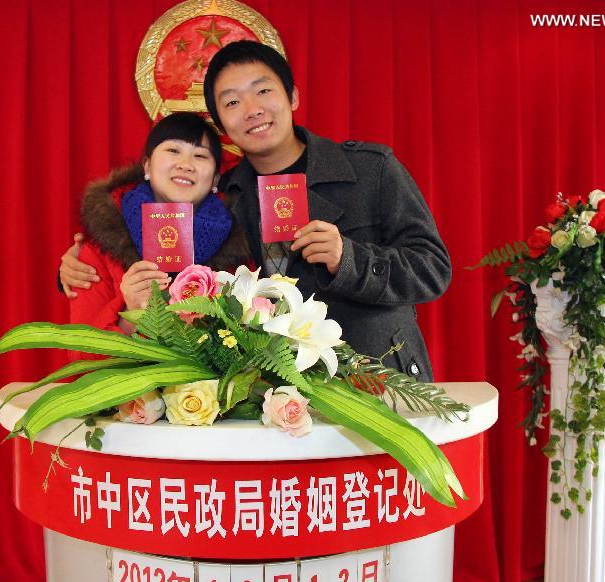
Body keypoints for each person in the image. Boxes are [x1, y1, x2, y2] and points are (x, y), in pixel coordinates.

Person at [63, 41, 451, 380]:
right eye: (232, 102)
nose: (251, 109)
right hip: (276, 396)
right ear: (222, 124)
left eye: (262, 91)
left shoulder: (370, 170)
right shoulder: (226, 200)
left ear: (292, 96)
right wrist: (74, 263)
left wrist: (349, 258)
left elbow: (433, 269)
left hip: (381, 378)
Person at [67, 111, 250, 336]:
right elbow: (81, 355)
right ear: (147, 165)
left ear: (214, 179)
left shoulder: (240, 241)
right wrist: (131, 315)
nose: (185, 164)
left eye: (200, 156)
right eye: (173, 150)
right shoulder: (102, 243)